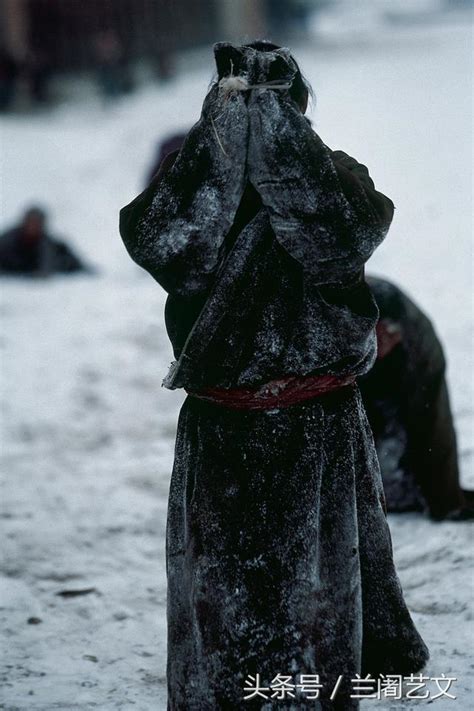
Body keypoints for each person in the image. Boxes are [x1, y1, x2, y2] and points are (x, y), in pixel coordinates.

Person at [120, 41, 429, 710]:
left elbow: (338, 239)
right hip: (222, 426)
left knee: (316, 614)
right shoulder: (190, 185)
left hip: (318, 426)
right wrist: (220, 135)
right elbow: (168, 247)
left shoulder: (337, 178)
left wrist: (279, 135)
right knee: (228, 610)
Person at [360, 276, 474, 521]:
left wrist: (446, 500)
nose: (381, 343)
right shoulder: (345, 331)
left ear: (397, 333)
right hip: (356, 373)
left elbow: (434, 423)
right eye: (376, 337)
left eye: (387, 338)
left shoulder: (421, 351)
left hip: (396, 382)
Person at [0, 206, 89, 277]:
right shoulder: (9, 239)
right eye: (31, 222)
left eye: (37, 223)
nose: (33, 227)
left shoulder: (48, 243)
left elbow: (47, 266)